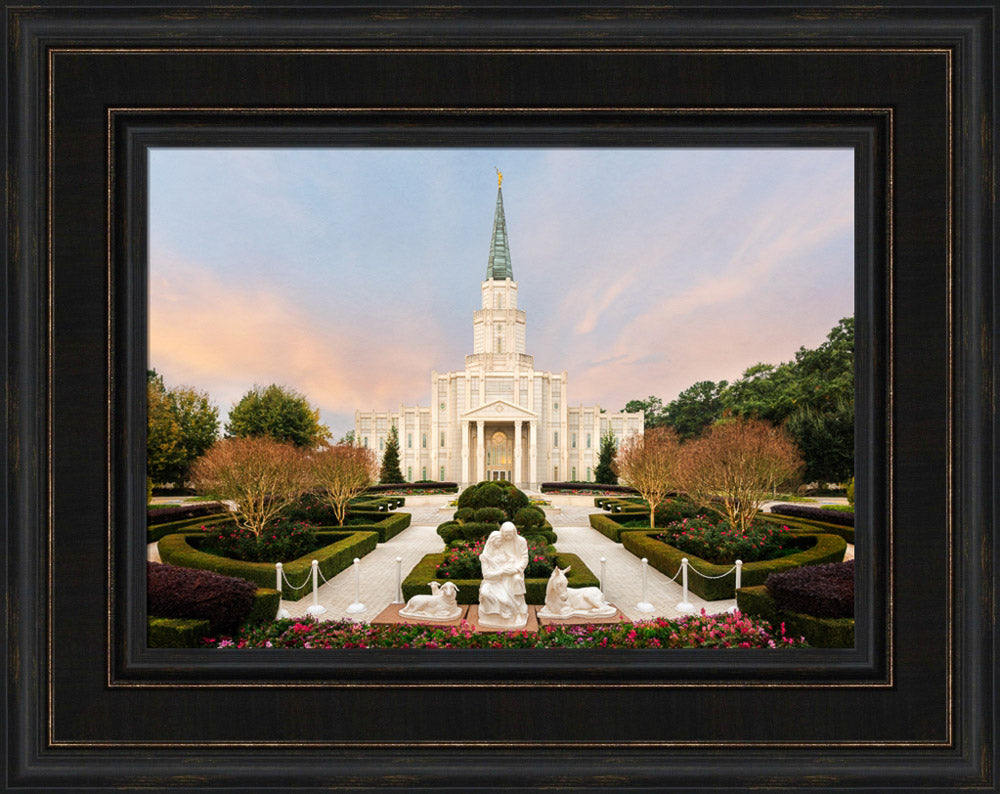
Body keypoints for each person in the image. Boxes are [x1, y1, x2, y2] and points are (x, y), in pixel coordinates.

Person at [477, 521, 529, 627]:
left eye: (510, 534)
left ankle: (518, 610)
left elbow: (523, 558)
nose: (508, 537)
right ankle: (495, 614)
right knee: (491, 592)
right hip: (497, 576)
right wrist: (502, 571)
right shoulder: (489, 553)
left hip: (514, 569)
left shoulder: (521, 541)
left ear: (514, 532)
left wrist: (515, 569)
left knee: (516, 579)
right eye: (506, 534)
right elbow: (487, 573)